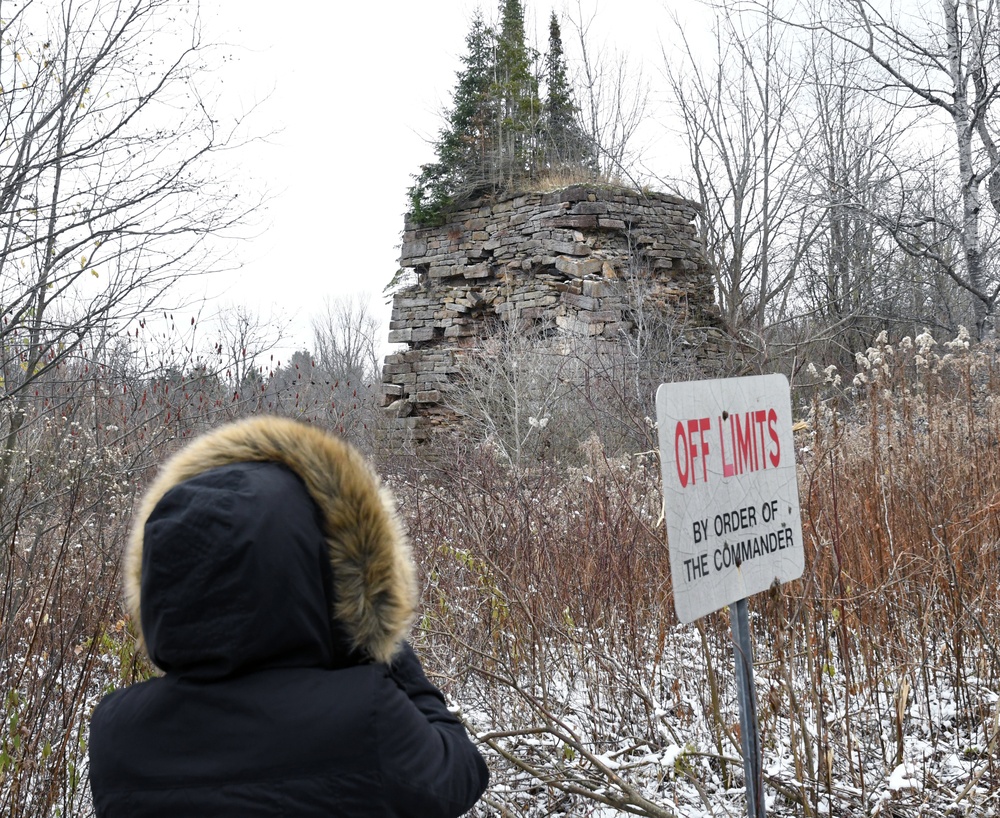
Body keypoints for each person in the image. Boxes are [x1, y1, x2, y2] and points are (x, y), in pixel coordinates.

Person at [89, 416, 489, 817]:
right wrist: (380, 638)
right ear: (317, 571)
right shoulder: (364, 714)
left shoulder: (116, 731)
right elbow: (461, 772)